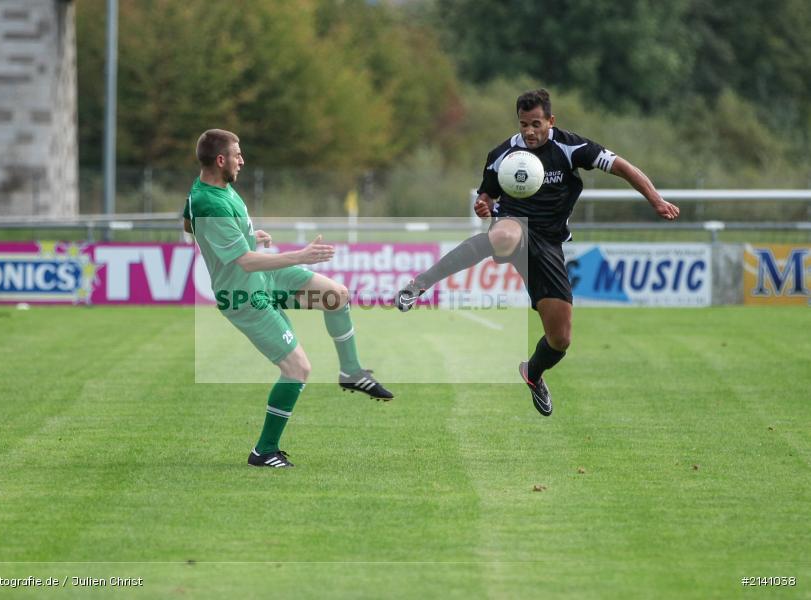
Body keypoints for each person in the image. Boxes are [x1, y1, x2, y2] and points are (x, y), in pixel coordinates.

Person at [395, 89, 679, 416]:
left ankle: (533, 373)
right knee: (505, 233)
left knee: (560, 339)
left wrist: (655, 199)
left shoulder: (571, 147)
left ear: (551, 121)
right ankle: (419, 285)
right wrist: (484, 206)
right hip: (514, 226)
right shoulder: (502, 154)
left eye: (536, 124)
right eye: (523, 125)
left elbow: (622, 167)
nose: (529, 131)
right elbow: (486, 198)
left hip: (551, 243)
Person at [184, 129, 393, 469]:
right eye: (237, 154)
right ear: (220, 160)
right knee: (297, 369)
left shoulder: (213, 191)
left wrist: (247, 236)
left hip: (263, 278)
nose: (243, 160)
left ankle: (351, 372)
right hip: (245, 295)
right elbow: (244, 261)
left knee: (336, 296)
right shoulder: (210, 202)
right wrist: (299, 256)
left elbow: (189, 225)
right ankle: (263, 451)